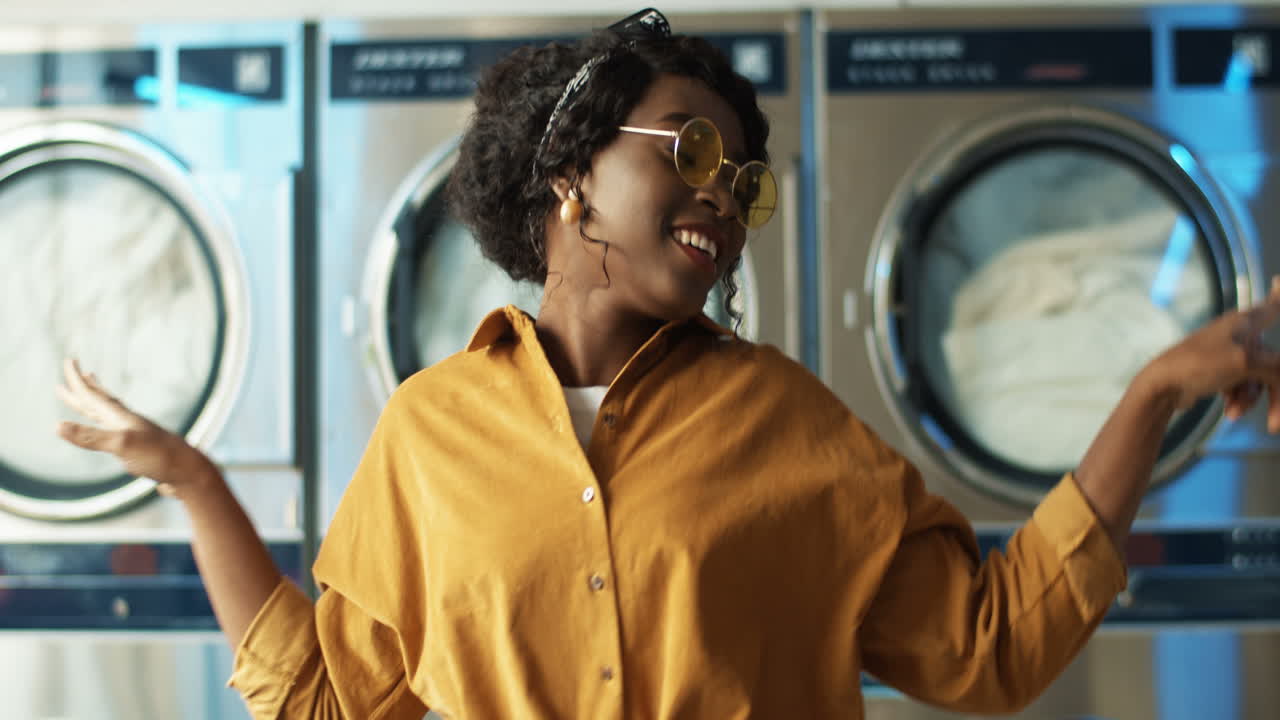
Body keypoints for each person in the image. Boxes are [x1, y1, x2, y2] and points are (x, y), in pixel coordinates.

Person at [54, 9, 1280, 720]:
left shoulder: (789, 427)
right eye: (689, 149)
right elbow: (325, 702)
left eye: (740, 178)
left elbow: (987, 647)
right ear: (571, 166)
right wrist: (190, 480)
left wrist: (1154, 389)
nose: (721, 195)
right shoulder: (430, 434)